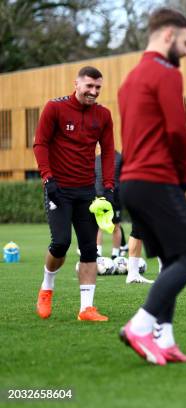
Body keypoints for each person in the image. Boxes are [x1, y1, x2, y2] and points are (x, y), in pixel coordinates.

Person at [118, 7, 186, 365]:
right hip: (157, 179)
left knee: (172, 259)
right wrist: (182, 176)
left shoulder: (128, 80)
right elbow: (175, 130)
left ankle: (164, 338)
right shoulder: (167, 73)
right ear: (168, 35)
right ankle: (140, 325)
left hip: (131, 183)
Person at [33, 66, 115, 322]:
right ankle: (47, 288)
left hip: (87, 191)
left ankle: (86, 308)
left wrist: (109, 187)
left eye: (98, 87)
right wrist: (48, 178)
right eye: (89, 86)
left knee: (90, 248)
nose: (93, 92)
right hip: (59, 189)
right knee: (61, 243)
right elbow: (40, 144)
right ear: (76, 84)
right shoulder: (54, 108)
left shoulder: (103, 115)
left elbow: (109, 151)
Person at [95, 149, 123, 258]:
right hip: (100, 197)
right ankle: (98, 253)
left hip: (116, 197)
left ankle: (115, 255)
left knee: (116, 226)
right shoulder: (96, 159)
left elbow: (123, 176)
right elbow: (94, 178)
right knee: (99, 225)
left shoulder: (120, 158)